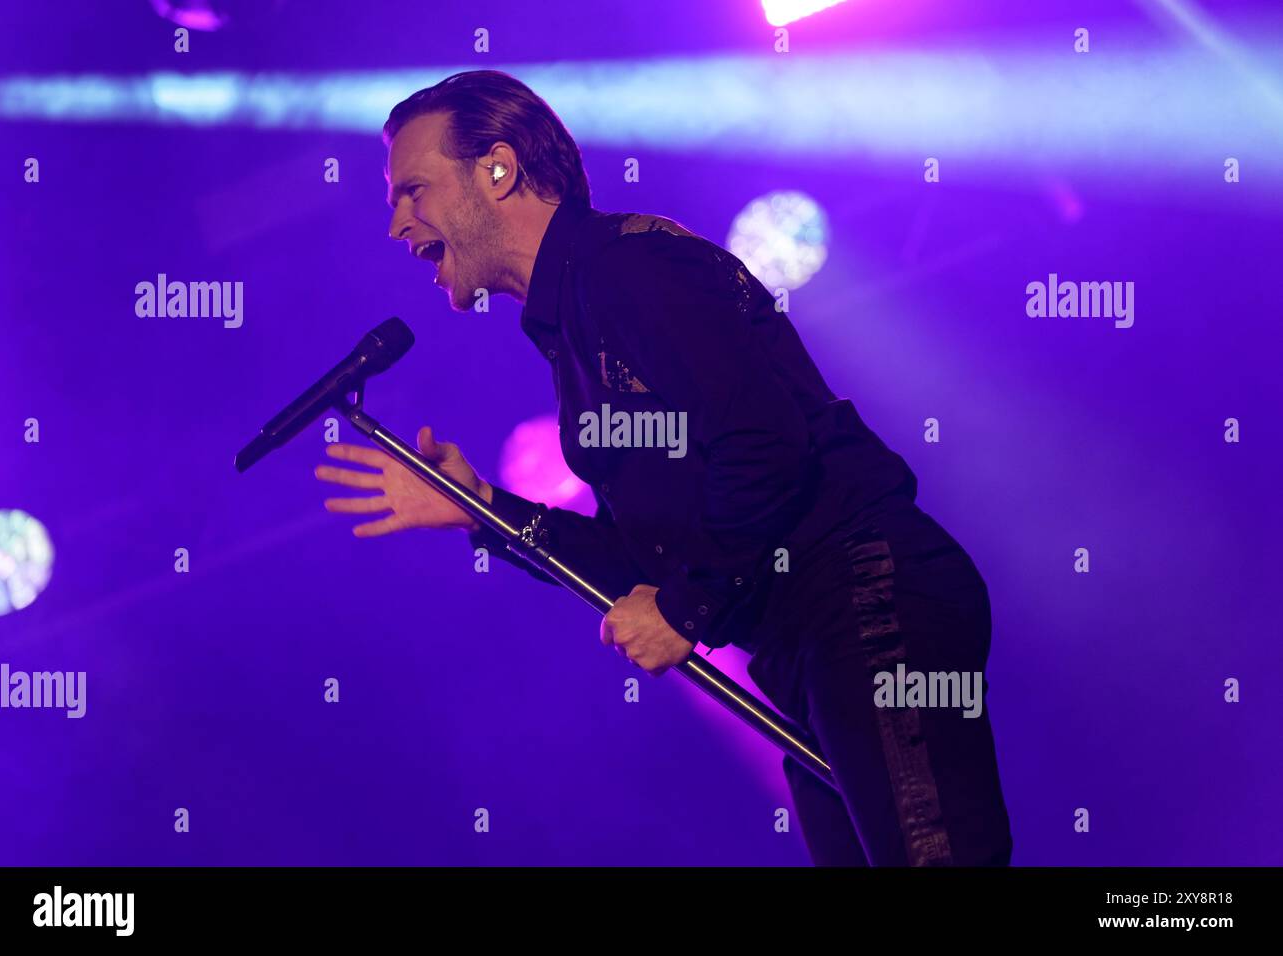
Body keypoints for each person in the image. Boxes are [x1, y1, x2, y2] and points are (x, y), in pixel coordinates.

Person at [314, 69, 1013, 866]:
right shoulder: (574, 318)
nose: (399, 223)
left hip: (862, 594)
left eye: (413, 190)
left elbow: (765, 447)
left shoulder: (626, 269)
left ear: (497, 170)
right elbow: (639, 561)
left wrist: (687, 607)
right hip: (808, 644)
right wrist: (485, 510)